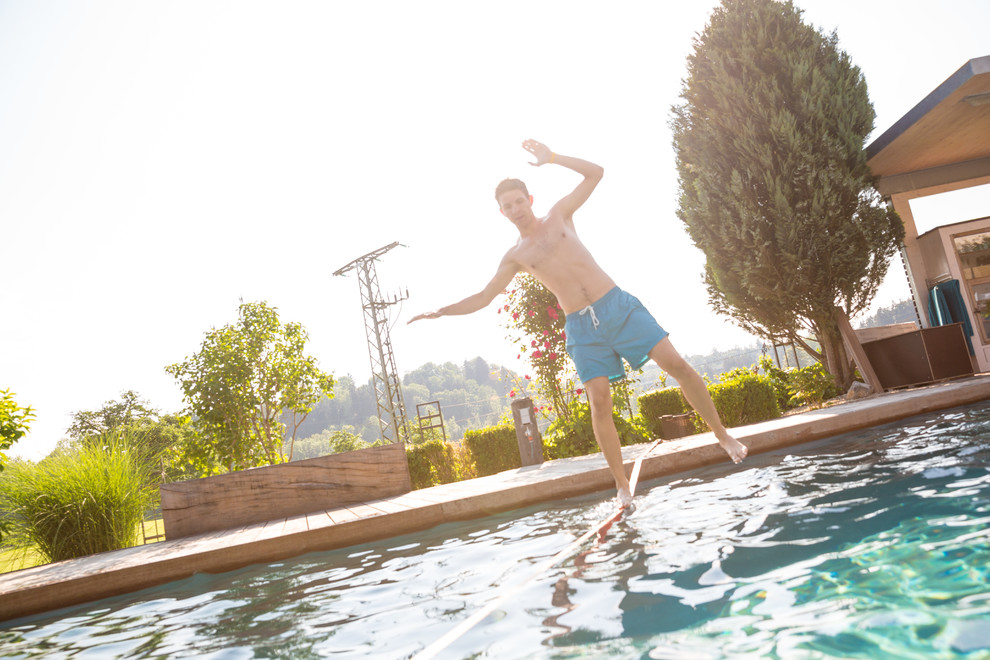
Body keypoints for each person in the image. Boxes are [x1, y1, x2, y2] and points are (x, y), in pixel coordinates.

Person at [408, 139, 747, 507]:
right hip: (582, 329)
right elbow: (484, 296)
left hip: (617, 306)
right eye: (508, 206)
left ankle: (722, 435)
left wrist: (552, 158)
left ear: (530, 200)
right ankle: (622, 487)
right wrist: (441, 310)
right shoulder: (515, 256)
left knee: (677, 364)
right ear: (502, 213)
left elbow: (596, 173)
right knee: (599, 403)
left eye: (519, 201)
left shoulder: (560, 214)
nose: (516, 208)